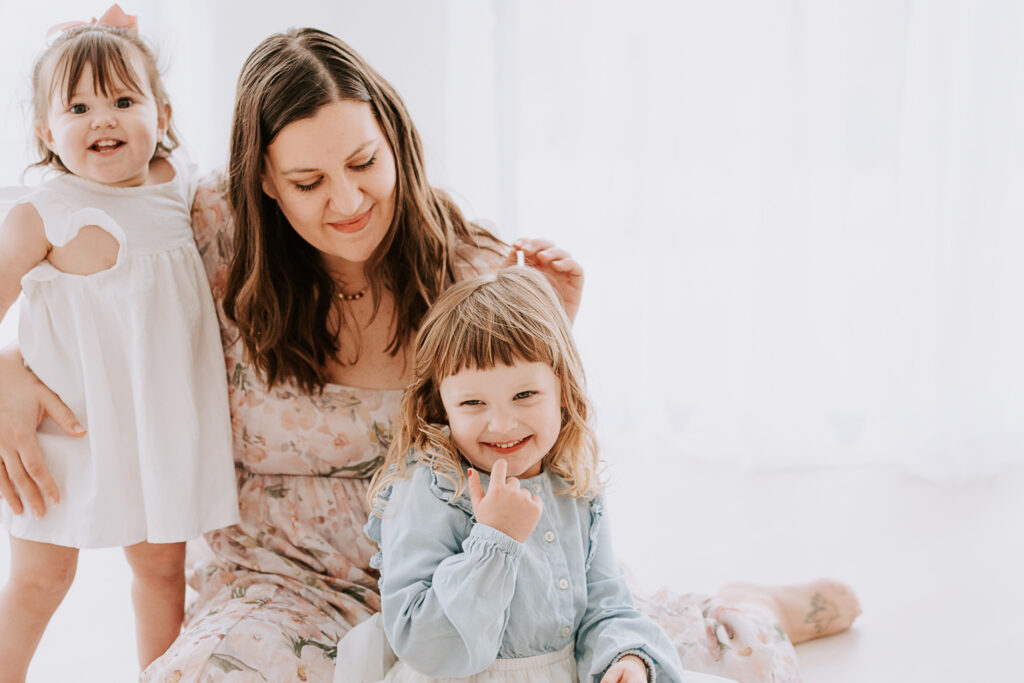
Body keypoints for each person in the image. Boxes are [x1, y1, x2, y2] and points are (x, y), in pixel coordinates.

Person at [0, 27, 860, 683]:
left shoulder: (468, 265)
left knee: (641, 655)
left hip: (462, 578)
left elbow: (543, 451)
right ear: (260, 181)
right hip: (277, 582)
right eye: (306, 183)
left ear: (396, 141)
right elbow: (66, 201)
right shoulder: (210, 235)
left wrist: (552, 339)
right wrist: (6, 371)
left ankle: (734, 608)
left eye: (364, 162)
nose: (346, 201)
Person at [0, 6, 239, 681]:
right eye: (77, 107)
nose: (101, 117)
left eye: (123, 99)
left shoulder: (181, 188)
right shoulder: (43, 213)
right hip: (63, 430)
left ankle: (157, 673)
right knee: (42, 575)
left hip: (158, 427)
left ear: (162, 117)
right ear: (47, 132)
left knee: (163, 572)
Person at [335, 266, 686, 683]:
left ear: (562, 389)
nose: (501, 424)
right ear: (441, 404)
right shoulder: (429, 488)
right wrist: (494, 541)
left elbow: (606, 603)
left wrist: (623, 658)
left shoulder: (571, 482)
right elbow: (422, 641)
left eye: (524, 395)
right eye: (472, 403)